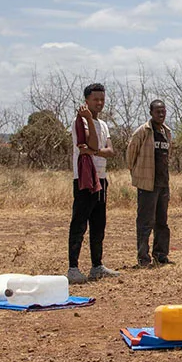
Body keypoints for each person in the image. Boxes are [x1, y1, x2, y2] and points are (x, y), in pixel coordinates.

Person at [67, 83, 120, 284]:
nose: (99, 103)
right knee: (79, 223)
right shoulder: (80, 122)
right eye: (95, 99)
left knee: (99, 224)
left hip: (101, 178)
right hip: (84, 179)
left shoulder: (104, 124)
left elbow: (109, 151)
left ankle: (97, 265)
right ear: (86, 100)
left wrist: (94, 151)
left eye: (102, 99)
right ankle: (73, 267)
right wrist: (88, 119)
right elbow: (95, 144)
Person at [126, 99, 172, 267]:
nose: (161, 114)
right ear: (151, 113)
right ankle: (143, 258)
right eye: (158, 111)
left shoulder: (167, 132)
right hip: (147, 184)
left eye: (163, 111)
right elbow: (131, 154)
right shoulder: (143, 131)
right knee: (145, 222)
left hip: (163, 183)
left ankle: (161, 255)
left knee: (162, 222)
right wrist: (137, 173)